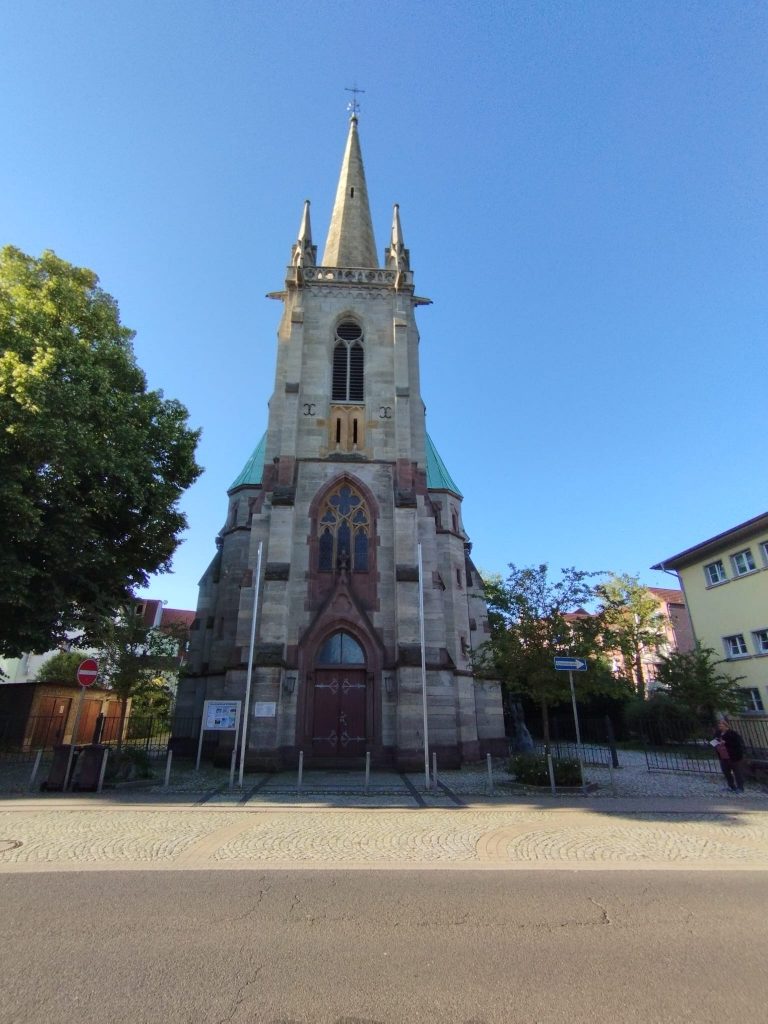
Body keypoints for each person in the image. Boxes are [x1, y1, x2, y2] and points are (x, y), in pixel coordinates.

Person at [713, 718, 745, 793]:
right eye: (719, 725)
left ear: (726, 725)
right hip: (723, 755)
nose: (720, 726)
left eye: (721, 724)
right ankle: (731, 786)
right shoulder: (718, 733)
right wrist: (716, 743)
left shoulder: (732, 733)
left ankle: (740, 787)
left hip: (733, 755)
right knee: (726, 772)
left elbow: (738, 743)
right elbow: (714, 741)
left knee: (737, 772)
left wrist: (726, 742)